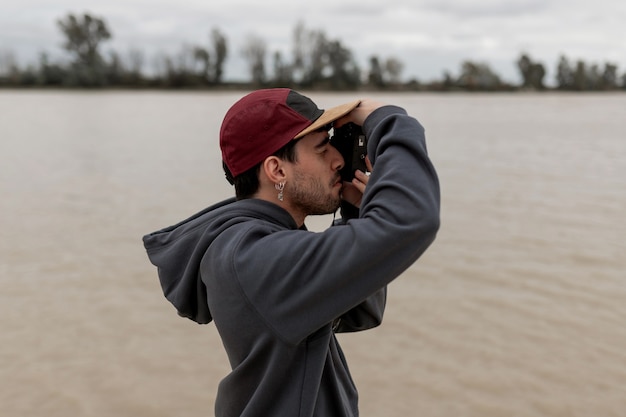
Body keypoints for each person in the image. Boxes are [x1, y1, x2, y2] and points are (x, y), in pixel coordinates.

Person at [143, 88, 440, 417]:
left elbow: (360, 311)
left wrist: (355, 212)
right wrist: (387, 119)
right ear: (277, 170)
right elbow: (412, 219)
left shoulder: (251, 243)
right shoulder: (254, 257)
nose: (339, 160)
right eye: (322, 148)